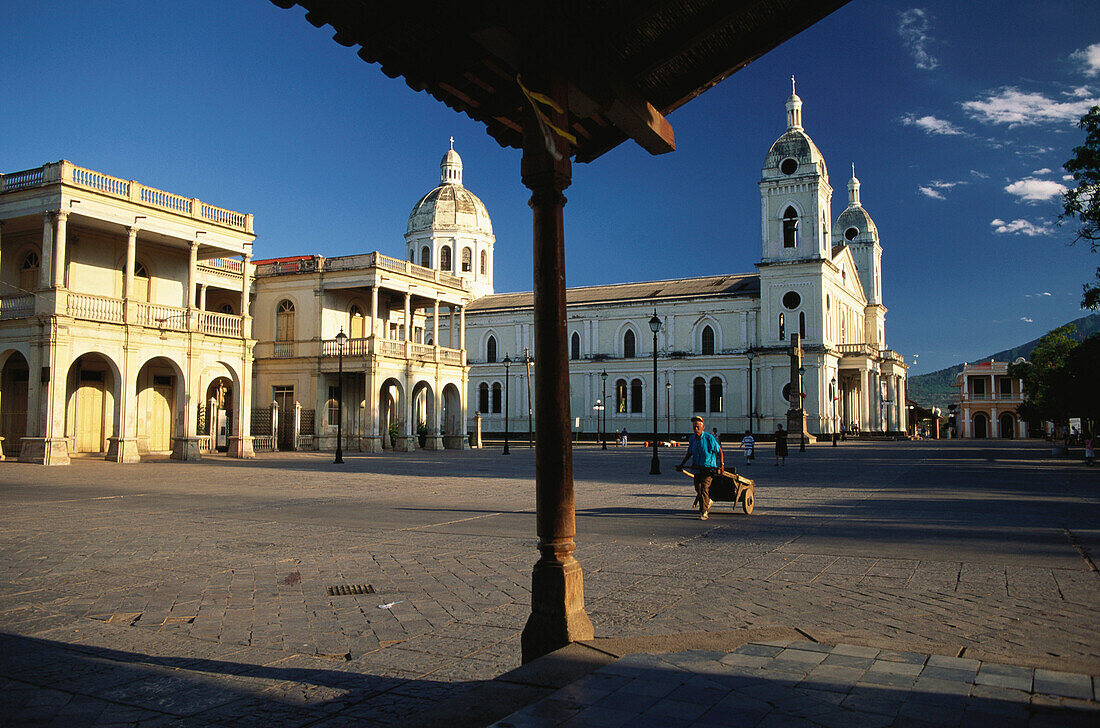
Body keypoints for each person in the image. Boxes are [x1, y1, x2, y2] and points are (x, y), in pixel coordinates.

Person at [676, 416, 723, 520]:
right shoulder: (692, 439)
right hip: (697, 468)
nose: (696, 429)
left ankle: (704, 511)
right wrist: (681, 464)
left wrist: (722, 465)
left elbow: (719, 450)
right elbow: (689, 453)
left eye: (698, 427)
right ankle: (707, 501)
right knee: (698, 488)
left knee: (703, 488)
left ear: (703, 427)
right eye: (694, 427)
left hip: (708, 469)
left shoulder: (709, 438)